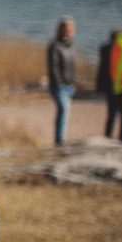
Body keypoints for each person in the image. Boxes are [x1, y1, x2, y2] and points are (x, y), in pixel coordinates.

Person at [47, 17, 76, 146]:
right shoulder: (55, 46)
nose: (68, 31)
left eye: (71, 29)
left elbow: (71, 67)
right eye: (66, 29)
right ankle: (60, 140)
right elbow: (53, 67)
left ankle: (61, 137)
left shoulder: (69, 45)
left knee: (65, 111)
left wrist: (73, 82)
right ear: (60, 29)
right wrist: (59, 83)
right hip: (59, 86)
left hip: (70, 85)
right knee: (63, 109)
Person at [96, 30, 120, 138]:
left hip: (110, 85)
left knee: (111, 113)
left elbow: (101, 69)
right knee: (120, 113)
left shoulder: (105, 49)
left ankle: (108, 135)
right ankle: (120, 135)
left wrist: (99, 85)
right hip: (117, 84)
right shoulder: (119, 50)